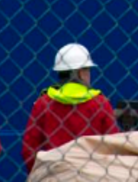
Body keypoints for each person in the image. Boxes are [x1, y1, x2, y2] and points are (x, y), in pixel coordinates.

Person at [22, 44, 118, 172]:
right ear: (80, 73)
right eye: (88, 70)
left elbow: (29, 148)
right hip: (92, 175)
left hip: (54, 174)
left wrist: (38, 175)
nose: (89, 75)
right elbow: (114, 145)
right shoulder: (100, 103)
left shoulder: (43, 103)